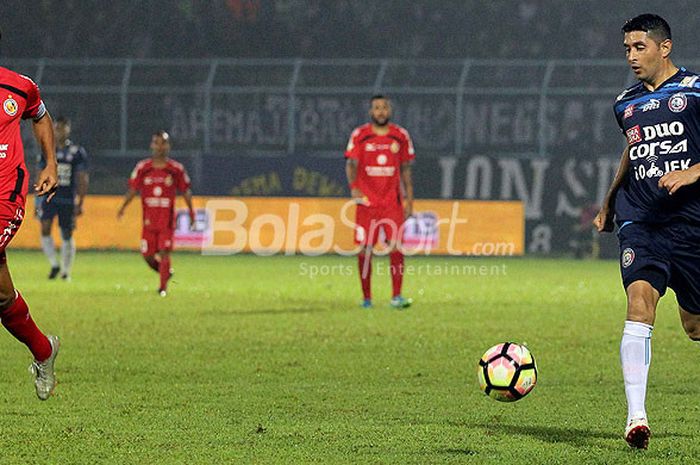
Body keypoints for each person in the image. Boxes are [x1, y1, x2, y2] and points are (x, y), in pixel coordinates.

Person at [594, 14, 700, 449]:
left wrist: (696, 170)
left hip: (691, 224)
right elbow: (632, 151)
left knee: (694, 326)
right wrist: (608, 201)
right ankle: (636, 418)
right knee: (639, 302)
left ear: (665, 48)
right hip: (642, 219)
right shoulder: (625, 102)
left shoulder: (695, 90)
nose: (631, 57)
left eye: (639, 47)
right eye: (627, 49)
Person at [0, 35, 60, 400]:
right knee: (4, 297)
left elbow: (40, 116)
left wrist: (50, 162)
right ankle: (44, 350)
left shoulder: (18, 87)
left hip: (5, 198)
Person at [345, 95, 414, 309]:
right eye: (377, 108)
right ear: (370, 112)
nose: (381, 111)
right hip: (367, 203)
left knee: (396, 247)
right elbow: (350, 163)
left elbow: (405, 169)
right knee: (365, 249)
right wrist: (354, 188)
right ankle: (367, 298)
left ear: (390, 111)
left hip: (391, 203)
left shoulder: (400, 136)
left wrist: (409, 199)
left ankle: (396, 296)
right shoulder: (360, 135)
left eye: (384, 107)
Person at [117, 131, 194, 296]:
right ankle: (165, 273)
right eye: (157, 143)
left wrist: (192, 213)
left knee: (164, 252)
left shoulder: (176, 169)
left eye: (163, 143)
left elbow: (186, 191)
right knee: (148, 256)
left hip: (166, 221)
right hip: (148, 222)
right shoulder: (143, 168)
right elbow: (133, 189)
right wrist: (123, 206)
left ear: (168, 146)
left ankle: (162, 288)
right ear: (152, 145)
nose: (160, 146)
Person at [37, 117, 89, 280]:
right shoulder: (47, 149)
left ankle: (66, 271)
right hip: (49, 198)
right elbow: (40, 174)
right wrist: (37, 200)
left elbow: (82, 177)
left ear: (68, 129)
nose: (59, 131)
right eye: (56, 128)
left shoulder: (76, 152)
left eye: (62, 128)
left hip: (67, 199)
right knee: (45, 229)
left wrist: (80, 201)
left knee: (66, 233)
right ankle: (54, 264)